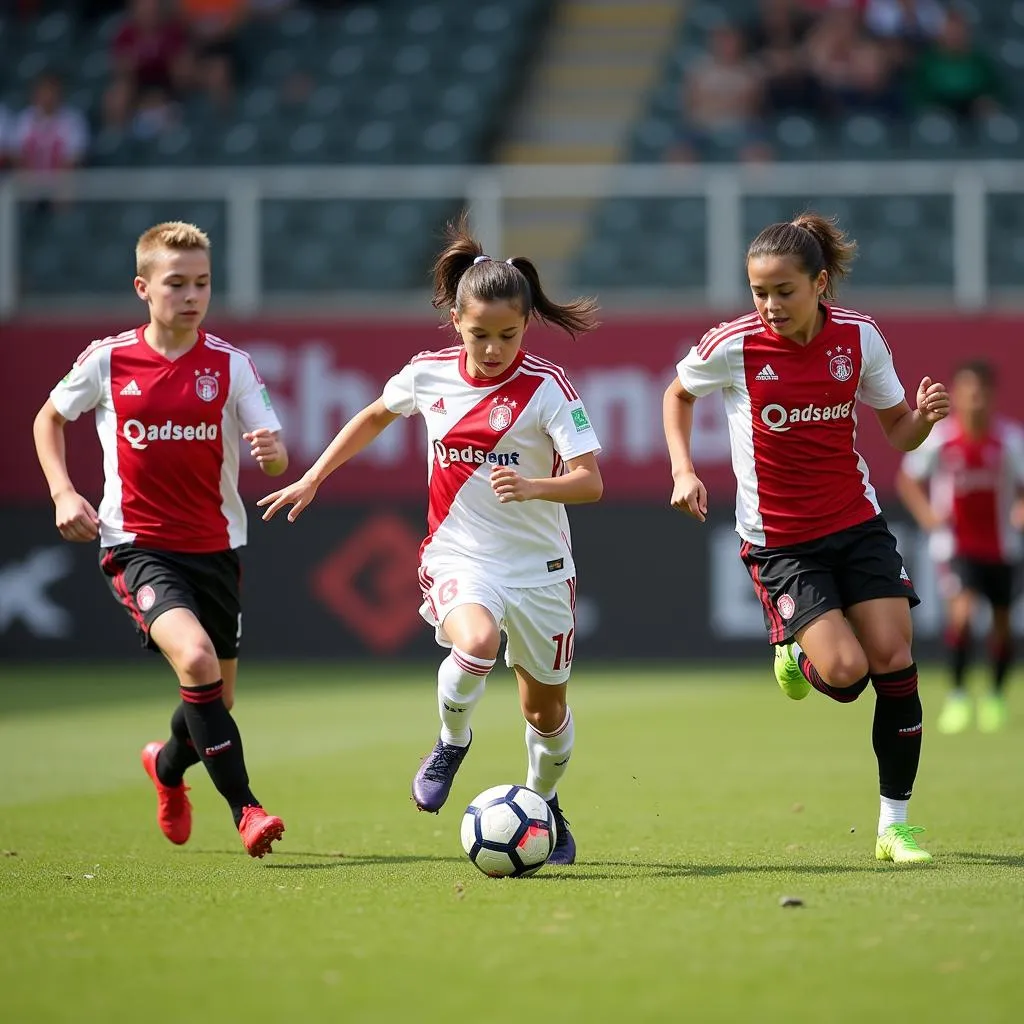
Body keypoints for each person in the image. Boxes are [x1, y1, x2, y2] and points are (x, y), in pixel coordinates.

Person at [258, 216, 603, 865]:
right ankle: (451, 741)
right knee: (474, 641)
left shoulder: (549, 388)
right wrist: (312, 476)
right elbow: (372, 416)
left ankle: (544, 804)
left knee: (546, 715)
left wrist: (534, 486)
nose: (494, 347)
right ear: (455, 322)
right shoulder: (428, 374)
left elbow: (589, 483)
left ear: (526, 324)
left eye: (507, 334)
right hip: (460, 552)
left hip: (542, 567)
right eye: (480, 334)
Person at [663, 213, 950, 865]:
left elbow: (898, 431)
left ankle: (894, 826)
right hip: (781, 542)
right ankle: (795, 652)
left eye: (783, 291)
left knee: (894, 659)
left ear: (820, 284)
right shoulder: (734, 345)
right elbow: (677, 394)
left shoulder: (860, 338)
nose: (769, 306)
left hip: (856, 524)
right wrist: (683, 468)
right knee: (846, 676)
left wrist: (924, 421)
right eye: (758, 292)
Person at [32, 221, 289, 859]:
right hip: (137, 544)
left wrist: (274, 451)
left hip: (217, 546)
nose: (191, 294)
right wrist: (64, 492)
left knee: (214, 697)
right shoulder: (109, 359)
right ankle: (247, 809)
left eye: (202, 282)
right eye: (176, 283)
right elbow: (49, 418)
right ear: (144, 288)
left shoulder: (230, 365)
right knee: (197, 662)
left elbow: (277, 458)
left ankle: (167, 767)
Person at [896, 360, 1024, 734]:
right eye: (968, 392)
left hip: (1002, 547)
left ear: (991, 395)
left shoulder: (1009, 441)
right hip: (956, 547)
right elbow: (908, 478)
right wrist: (927, 516)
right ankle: (957, 696)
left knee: (1001, 624)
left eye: (981, 392)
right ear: (957, 395)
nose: (975, 400)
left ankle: (996, 697)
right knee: (963, 615)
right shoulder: (940, 439)